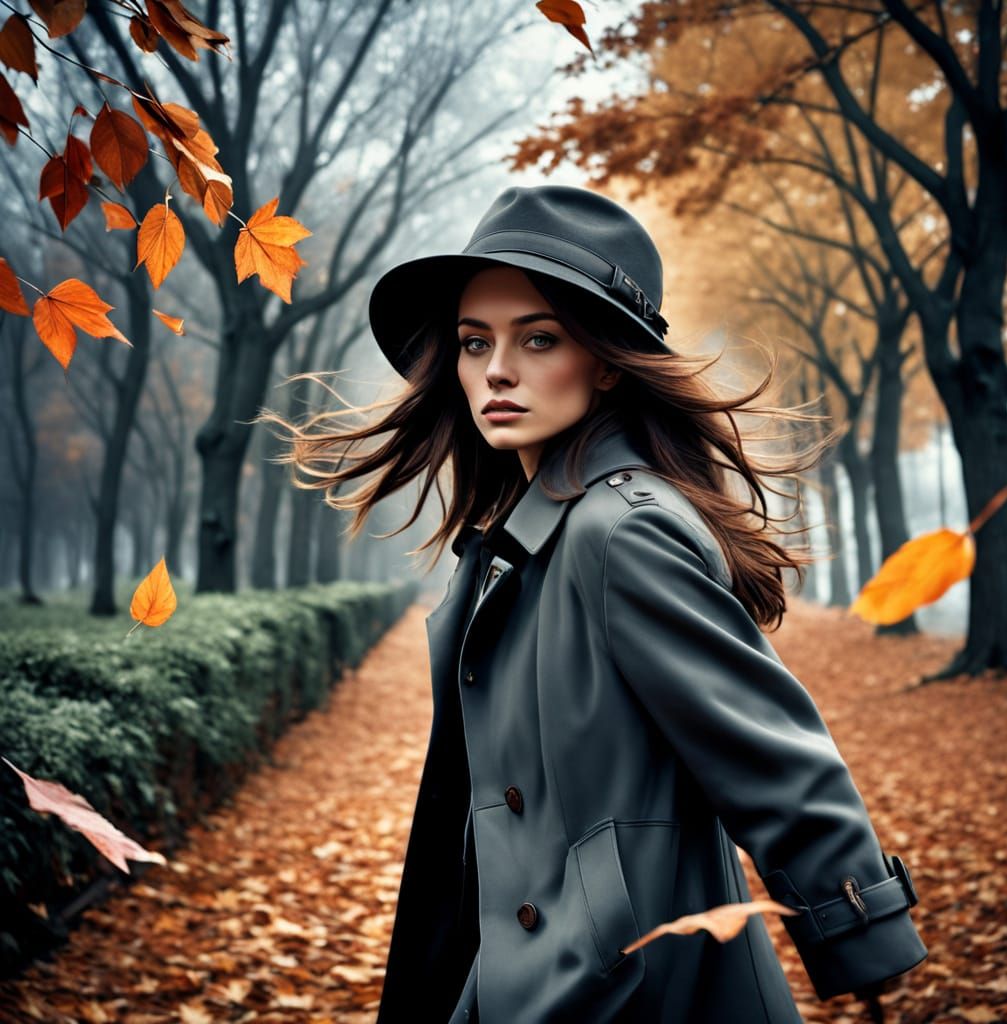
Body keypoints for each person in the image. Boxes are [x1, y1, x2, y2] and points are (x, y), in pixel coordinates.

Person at [255, 185, 928, 1023]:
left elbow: (769, 750)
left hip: (632, 984)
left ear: (607, 361)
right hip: (523, 971)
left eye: (538, 338)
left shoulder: (620, 531)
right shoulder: (524, 538)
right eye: (474, 342)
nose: (496, 369)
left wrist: (862, 931)